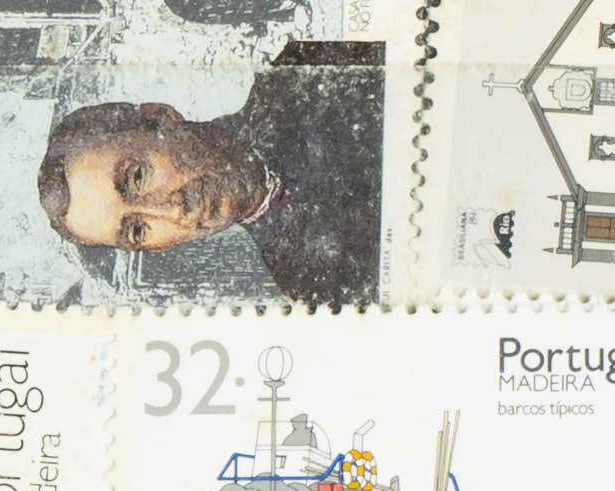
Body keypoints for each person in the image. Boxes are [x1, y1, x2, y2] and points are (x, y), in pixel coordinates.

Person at [37, 41, 388, 304]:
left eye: (138, 177)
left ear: (161, 116)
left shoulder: (305, 70)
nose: (171, 210)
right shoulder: (308, 280)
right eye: (137, 230)